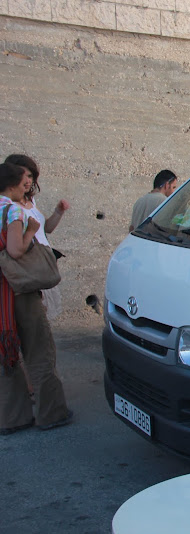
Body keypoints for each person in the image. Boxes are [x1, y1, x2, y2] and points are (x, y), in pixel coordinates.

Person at [0, 162, 72, 434]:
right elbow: (15, 250)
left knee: (7, 355)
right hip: (20, 290)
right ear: (12, 185)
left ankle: (12, 418)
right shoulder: (12, 209)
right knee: (39, 351)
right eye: (24, 183)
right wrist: (30, 229)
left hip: (2, 294)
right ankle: (51, 413)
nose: (26, 188)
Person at [5, 154, 68, 321]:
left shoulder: (30, 200)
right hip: (28, 267)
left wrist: (58, 212)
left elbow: (46, 229)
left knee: (41, 318)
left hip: (41, 264)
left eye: (30, 175)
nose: (27, 181)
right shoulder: (9, 206)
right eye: (22, 175)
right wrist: (30, 231)